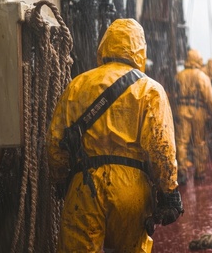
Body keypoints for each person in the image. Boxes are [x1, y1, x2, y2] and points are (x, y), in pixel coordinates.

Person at [47, 19, 183, 253]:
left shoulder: (77, 85)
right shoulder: (150, 89)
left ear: (105, 46)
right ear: (140, 49)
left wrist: (62, 181)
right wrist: (168, 192)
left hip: (84, 183)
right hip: (131, 189)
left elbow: (55, 142)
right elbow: (161, 147)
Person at [174, 49, 212, 184]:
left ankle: (181, 172)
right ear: (198, 60)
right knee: (199, 142)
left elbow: (173, 93)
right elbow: (210, 99)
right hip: (198, 112)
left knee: (182, 142)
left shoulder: (179, 76)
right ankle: (199, 172)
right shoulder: (202, 76)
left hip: (181, 110)